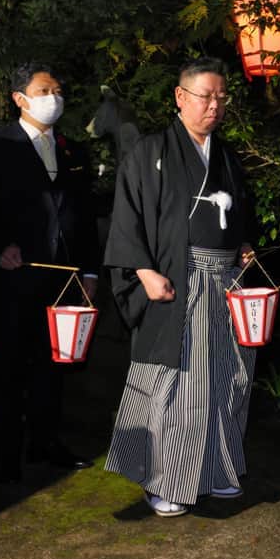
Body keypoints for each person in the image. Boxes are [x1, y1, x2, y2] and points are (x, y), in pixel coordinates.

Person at [104, 56, 256, 518]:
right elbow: (127, 217)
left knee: (227, 378)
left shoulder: (225, 156)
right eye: (205, 96)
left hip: (223, 281)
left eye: (220, 97)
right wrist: (144, 272)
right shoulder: (150, 152)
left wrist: (245, 244)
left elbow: (238, 215)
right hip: (176, 281)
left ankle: (219, 470)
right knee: (178, 383)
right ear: (180, 97)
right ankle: (165, 480)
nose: (214, 106)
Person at [0, 61, 99, 484]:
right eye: (44, 89)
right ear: (19, 98)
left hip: (63, 277)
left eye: (58, 89)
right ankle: (7, 453)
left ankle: (46, 441)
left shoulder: (73, 149)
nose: (53, 97)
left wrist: (90, 273)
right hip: (14, 274)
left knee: (54, 363)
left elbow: (86, 216)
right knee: (10, 365)